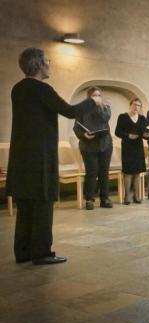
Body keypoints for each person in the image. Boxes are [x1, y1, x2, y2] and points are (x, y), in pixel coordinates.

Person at [7, 47, 101, 265]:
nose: (50, 64)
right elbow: (70, 111)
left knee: (26, 205)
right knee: (42, 203)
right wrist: (92, 101)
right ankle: (41, 253)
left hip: (22, 155)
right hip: (40, 155)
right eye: (47, 61)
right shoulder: (42, 89)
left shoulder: (17, 88)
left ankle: (23, 252)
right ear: (39, 64)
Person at [74, 87, 113, 210]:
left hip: (105, 145)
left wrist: (99, 106)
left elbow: (105, 118)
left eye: (99, 95)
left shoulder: (105, 108)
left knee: (104, 173)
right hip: (88, 146)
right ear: (89, 97)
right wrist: (83, 135)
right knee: (91, 172)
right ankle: (89, 199)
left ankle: (105, 198)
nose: (97, 97)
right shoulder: (82, 109)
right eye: (94, 96)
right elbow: (76, 127)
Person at [115, 98, 147, 205]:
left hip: (138, 146)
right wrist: (128, 135)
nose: (136, 107)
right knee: (128, 172)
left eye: (139, 105)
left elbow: (145, 132)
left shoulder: (142, 118)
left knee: (137, 172)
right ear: (130, 105)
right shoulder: (123, 117)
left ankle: (136, 195)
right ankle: (127, 195)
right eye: (135, 104)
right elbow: (117, 132)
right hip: (128, 146)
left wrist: (147, 135)